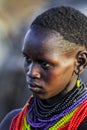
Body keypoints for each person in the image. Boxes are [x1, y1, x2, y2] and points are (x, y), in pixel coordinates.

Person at [0, 6, 87, 130]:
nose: (32, 72)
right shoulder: (13, 122)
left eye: (45, 64)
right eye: (28, 60)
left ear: (80, 62)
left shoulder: (82, 124)